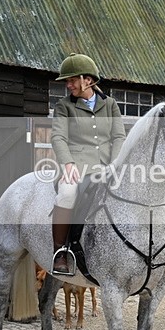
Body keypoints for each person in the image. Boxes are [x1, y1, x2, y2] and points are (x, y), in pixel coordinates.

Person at [50, 53, 126, 275]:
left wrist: (115, 163)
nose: (68, 84)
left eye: (72, 79)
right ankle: (60, 252)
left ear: (88, 79)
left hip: (107, 165)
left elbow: (118, 137)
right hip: (76, 165)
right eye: (67, 81)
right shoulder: (63, 106)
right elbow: (58, 138)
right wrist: (68, 164)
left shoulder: (110, 105)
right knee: (66, 193)